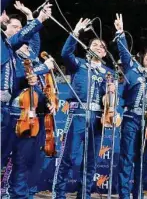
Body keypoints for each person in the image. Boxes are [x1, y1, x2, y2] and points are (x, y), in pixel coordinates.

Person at [53, 18, 116, 199]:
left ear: (105, 54)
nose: (98, 47)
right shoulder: (79, 64)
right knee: (68, 157)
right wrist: (76, 31)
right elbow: (65, 53)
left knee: (91, 161)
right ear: (88, 49)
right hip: (78, 113)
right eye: (95, 44)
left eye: (102, 46)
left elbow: (109, 101)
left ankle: (84, 195)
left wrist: (112, 91)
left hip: (98, 118)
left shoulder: (108, 72)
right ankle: (59, 195)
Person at [114, 13, 147, 199]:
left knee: (142, 159)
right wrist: (120, 32)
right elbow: (123, 53)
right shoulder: (133, 70)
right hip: (131, 118)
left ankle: (137, 194)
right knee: (126, 158)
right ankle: (123, 195)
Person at [1, 5, 53, 198]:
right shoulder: (7, 51)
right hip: (9, 114)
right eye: (13, 26)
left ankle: (19, 195)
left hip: (28, 116)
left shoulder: (29, 54)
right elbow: (20, 77)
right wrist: (41, 69)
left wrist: (32, 17)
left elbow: (34, 38)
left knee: (23, 162)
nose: (17, 29)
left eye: (20, 27)